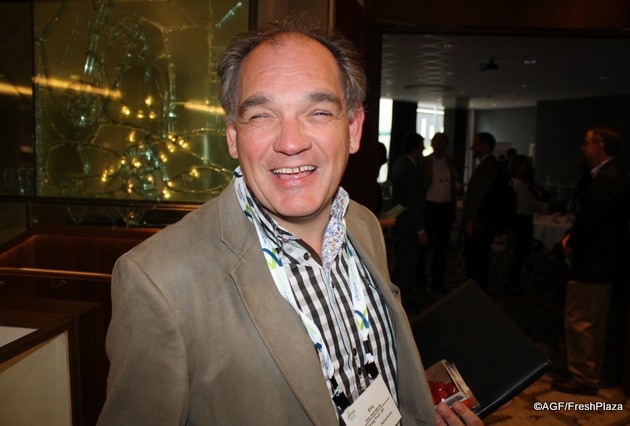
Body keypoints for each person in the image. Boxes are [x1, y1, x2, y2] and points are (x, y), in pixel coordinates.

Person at [97, 18, 482, 425]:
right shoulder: (159, 280)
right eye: (261, 116)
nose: (291, 142)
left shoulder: (363, 224)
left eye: (319, 112)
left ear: (353, 129)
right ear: (233, 135)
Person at [551, 126, 629, 396]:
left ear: (600, 146)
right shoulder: (603, 175)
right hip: (600, 263)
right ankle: (586, 370)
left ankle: (584, 376)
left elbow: (592, 220)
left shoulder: (609, 178)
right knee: (590, 319)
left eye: (587, 142)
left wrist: (570, 242)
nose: (583, 148)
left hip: (595, 263)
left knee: (581, 319)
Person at [390, 132, 428, 309]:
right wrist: (420, 230)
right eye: (421, 146)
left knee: (404, 262)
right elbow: (411, 201)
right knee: (407, 263)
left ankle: (396, 297)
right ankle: (402, 302)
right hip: (408, 224)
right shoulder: (407, 168)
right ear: (414, 148)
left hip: (405, 222)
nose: (423, 150)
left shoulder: (403, 164)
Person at [462, 132, 502, 292]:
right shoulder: (489, 165)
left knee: (477, 263)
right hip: (481, 223)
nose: (472, 147)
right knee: (479, 262)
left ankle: (476, 295)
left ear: (484, 145)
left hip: (480, 224)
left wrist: (470, 221)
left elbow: (480, 195)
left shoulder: (487, 166)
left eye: (475, 144)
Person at [419, 132, 459, 295]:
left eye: (443, 144)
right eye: (437, 143)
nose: (440, 146)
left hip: (446, 208)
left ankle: (438, 282)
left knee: (442, 249)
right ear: (432, 144)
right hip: (429, 207)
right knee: (424, 248)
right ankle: (421, 283)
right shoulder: (424, 162)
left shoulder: (451, 161)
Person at [505, 154, 545, 295]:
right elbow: (528, 204)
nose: (528, 168)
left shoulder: (514, 182)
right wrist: (543, 206)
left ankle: (512, 281)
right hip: (522, 221)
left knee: (518, 253)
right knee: (520, 253)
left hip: (517, 220)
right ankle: (513, 283)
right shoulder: (519, 184)